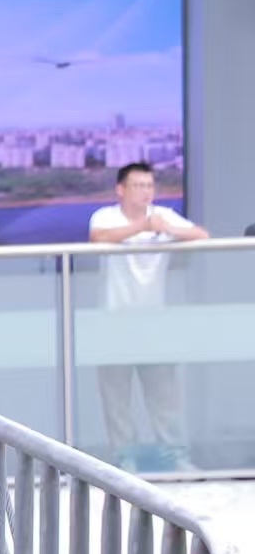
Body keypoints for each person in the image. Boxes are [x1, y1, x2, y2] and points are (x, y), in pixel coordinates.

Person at [88, 162, 209, 472]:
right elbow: (98, 238)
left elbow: (202, 236)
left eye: (150, 186)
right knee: (116, 396)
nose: (146, 192)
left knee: (164, 395)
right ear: (121, 190)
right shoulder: (105, 216)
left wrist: (168, 229)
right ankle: (125, 458)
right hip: (113, 322)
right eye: (139, 186)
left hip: (155, 323)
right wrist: (142, 226)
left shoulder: (163, 216)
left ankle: (176, 457)